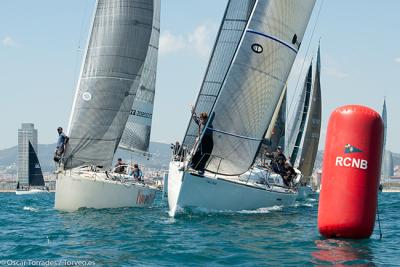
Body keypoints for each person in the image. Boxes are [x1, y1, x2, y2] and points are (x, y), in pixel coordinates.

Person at [190, 107, 214, 174]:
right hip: (202, 141)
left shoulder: (209, 125)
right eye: (200, 119)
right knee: (196, 154)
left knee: (204, 156)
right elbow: (195, 119)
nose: (201, 120)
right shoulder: (200, 122)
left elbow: (211, 118)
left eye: (202, 119)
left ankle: (201, 170)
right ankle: (192, 167)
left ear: (206, 119)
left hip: (208, 142)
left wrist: (199, 136)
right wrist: (193, 112)